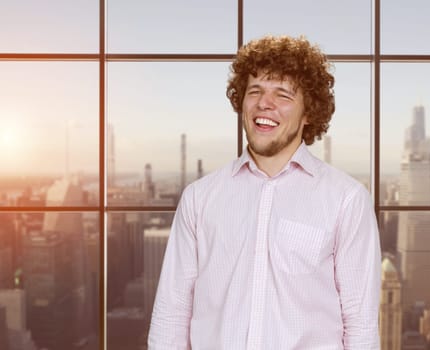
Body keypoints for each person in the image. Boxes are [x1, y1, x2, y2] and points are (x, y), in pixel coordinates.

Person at [148, 35, 381, 350]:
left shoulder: (347, 200)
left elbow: (360, 324)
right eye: (254, 91)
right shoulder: (199, 199)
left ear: (308, 112)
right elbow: (171, 314)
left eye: (283, 94)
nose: (264, 103)